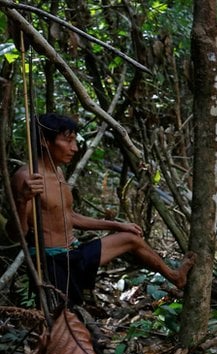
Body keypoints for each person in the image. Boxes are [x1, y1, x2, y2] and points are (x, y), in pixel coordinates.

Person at [6, 113, 195, 308]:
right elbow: (16, 235)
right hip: (53, 263)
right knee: (62, 322)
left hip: (75, 253)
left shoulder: (58, 171)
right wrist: (21, 201)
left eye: (75, 141)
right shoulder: (26, 178)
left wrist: (117, 225)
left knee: (130, 238)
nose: (75, 148)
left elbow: (68, 216)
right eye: (68, 141)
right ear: (45, 141)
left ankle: (175, 276)